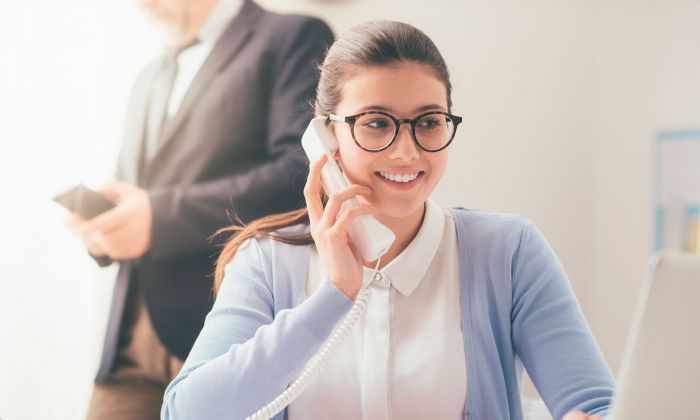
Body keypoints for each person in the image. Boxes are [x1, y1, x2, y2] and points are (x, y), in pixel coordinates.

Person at [160, 20, 615, 420]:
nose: (406, 151)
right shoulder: (267, 262)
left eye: (429, 121)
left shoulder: (507, 251)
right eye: (376, 123)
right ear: (327, 136)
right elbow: (189, 412)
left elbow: (599, 406)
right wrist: (333, 298)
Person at [66, 0, 333, 417]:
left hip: (229, 328)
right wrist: (104, 228)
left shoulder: (293, 37)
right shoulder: (148, 76)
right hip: (130, 346)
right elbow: (134, 196)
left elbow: (302, 174)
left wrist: (160, 219)